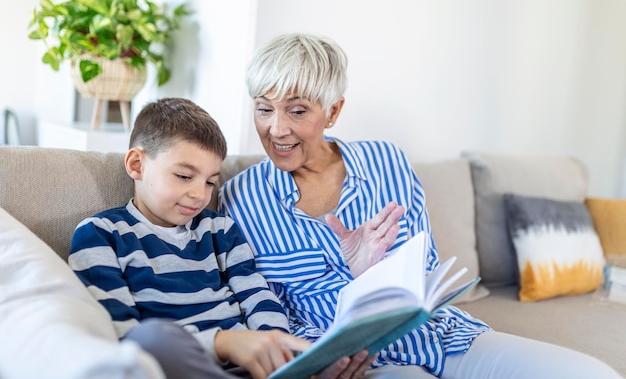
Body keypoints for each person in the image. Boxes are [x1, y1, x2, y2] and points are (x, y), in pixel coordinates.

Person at [218, 33, 624, 379]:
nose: (277, 129)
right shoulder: (240, 198)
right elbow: (262, 311)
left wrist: (367, 276)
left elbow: (425, 271)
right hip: (351, 364)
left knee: (591, 374)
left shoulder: (386, 162)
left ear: (334, 111)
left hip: (442, 336)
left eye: (297, 110)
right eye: (264, 108)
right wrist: (314, 360)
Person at [68, 97, 373, 379]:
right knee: (150, 339)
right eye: (184, 176)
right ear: (137, 164)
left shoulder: (220, 230)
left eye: (210, 182)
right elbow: (120, 336)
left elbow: (257, 297)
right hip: (180, 365)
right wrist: (222, 342)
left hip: (250, 369)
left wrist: (281, 350)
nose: (199, 194)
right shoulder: (101, 234)